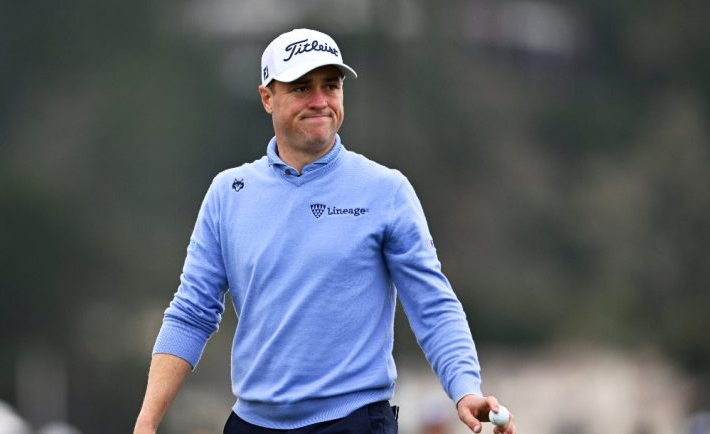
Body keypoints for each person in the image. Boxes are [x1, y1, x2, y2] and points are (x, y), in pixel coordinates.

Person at [133, 28, 517, 434]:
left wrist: (465, 389)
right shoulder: (228, 194)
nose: (320, 101)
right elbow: (192, 313)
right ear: (267, 98)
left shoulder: (385, 190)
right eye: (301, 88)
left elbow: (432, 304)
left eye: (330, 86)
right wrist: (147, 422)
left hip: (352, 422)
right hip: (252, 424)